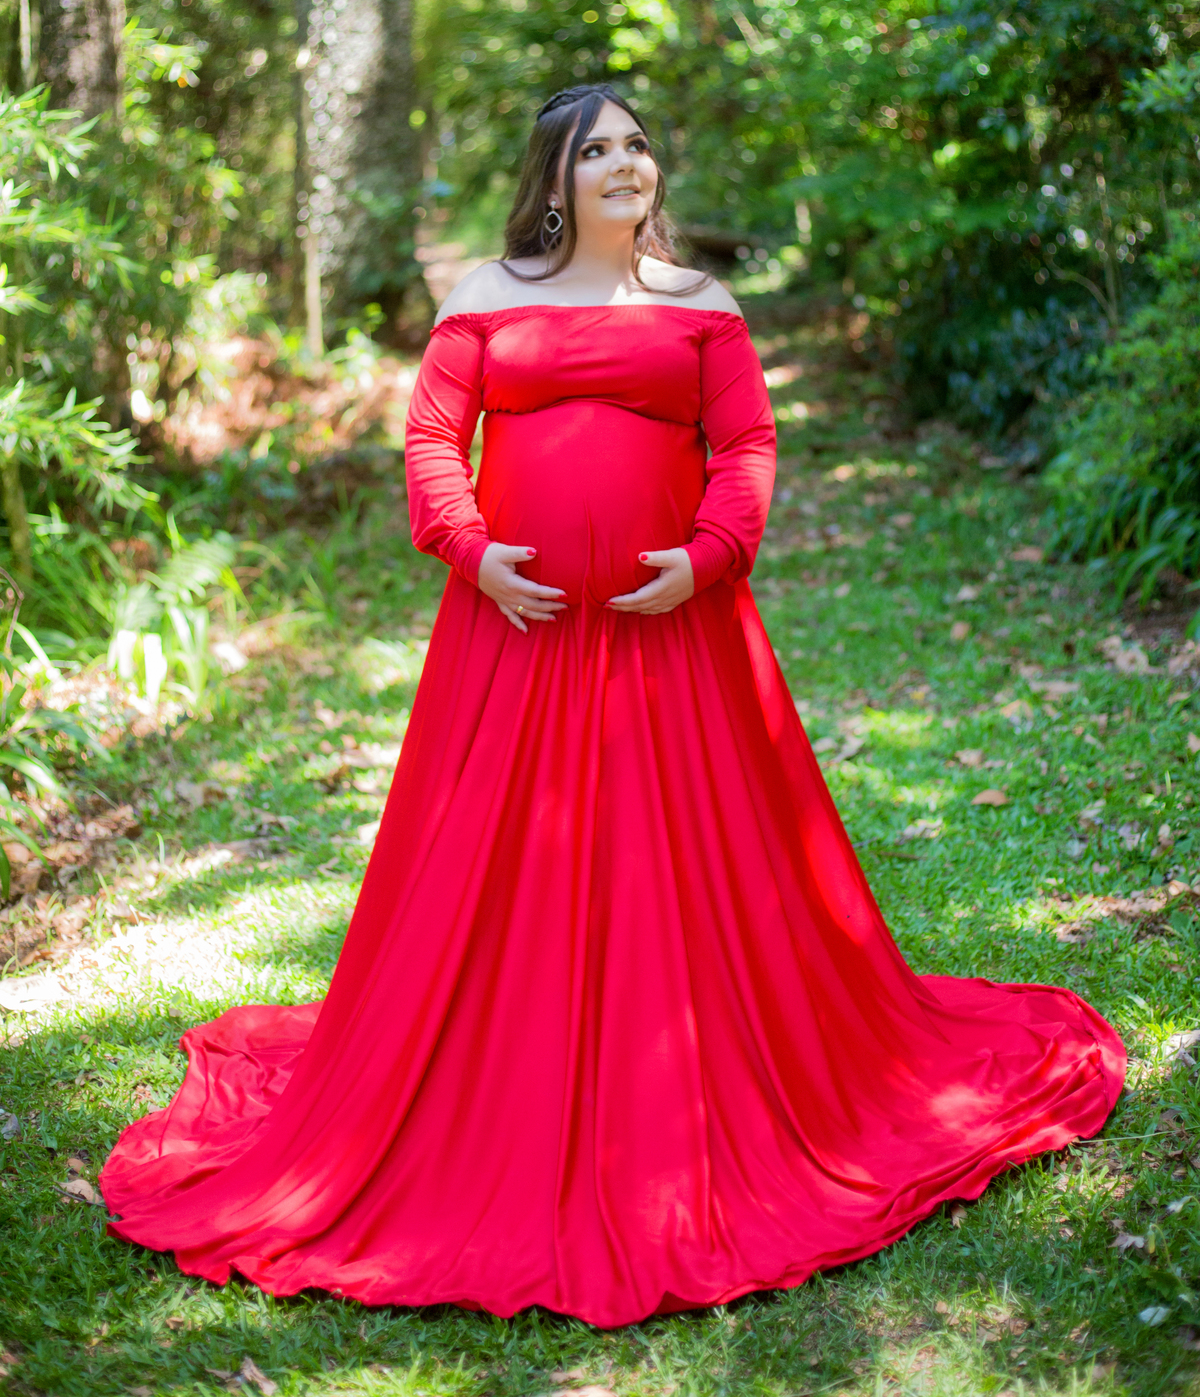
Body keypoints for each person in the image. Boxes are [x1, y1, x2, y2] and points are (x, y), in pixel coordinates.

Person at [101, 83, 1124, 1327]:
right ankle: (499, 1085)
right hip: (512, 639)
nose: (628, 161)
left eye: (639, 143)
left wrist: (705, 555)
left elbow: (746, 445)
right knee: (491, 864)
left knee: (690, 859)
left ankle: (688, 1076)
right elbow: (433, 440)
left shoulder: (701, 305)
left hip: (677, 637)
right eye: (600, 149)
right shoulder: (485, 296)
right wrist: (471, 548)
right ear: (556, 177)